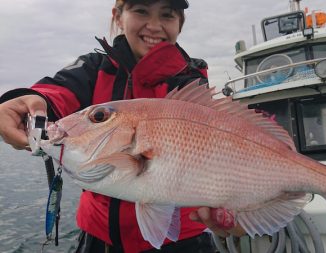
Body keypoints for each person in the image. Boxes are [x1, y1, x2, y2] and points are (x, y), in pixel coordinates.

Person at [0, 0, 244, 252]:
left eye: (167, 15)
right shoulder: (93, 68)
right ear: (118, 16)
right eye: (141, 11)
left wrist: (244, 209)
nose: (154, 26)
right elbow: (56, 92)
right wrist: (30, 102)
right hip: (100, 237)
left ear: (180, 24)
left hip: (184, 239)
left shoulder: (190, 80)